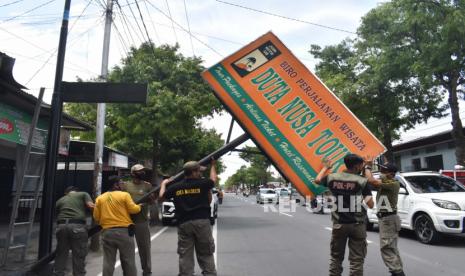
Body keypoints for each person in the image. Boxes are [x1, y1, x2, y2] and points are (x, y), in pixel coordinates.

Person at [314, 154, 376, 276]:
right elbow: (371, 204)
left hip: (339, 224)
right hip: (357, 225)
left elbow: (317, 180)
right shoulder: (362, 181)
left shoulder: (332, 177)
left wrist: (326, 167)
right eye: (361, 165)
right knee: (356, 261)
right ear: (357, 166)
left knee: (336, 259)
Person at [159, 159, 218, 276]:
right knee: (206, 253)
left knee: (185, 254)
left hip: (184, 224)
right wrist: (213, 165)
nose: (200, 173)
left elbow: (161, 197)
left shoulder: (176, 187)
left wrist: (163, 184)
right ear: (194, 172)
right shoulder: (203, 183)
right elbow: (213, 180)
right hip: (202, 222)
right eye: (199, 171)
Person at [93, 175, 142, 276]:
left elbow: (96, 218)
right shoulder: (124, 195)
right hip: (124, 232)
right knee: (128, 261)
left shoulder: (100, 198)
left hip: (107, 233)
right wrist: (139, 206)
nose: (122, 184)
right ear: (115, 185)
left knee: (108, 261)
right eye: (121, 183)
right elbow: (133, 209)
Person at [368, 163, 405, 276]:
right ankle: (397, 271)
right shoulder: (386, 182)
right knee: (391, 248)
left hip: (388, 219)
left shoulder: (393, 183)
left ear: (391, 174)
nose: (380, 172)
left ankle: (398, 273)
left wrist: (367, 167)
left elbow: (371, 180)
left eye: (383, 170)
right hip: (388, 218)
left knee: (387, 248)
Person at [53, 186, 94, 276]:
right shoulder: (83, 194)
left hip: (61, 226)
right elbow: (91, 206)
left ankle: (58, 274)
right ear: (76, 191)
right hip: (77, 226)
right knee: (79, 254)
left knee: (61, 254)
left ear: (66, 193)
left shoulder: (60, 199)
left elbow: (56, 213)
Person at [122, 164, 154, 276]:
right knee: (126, 249)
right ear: (133, 173)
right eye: (139, 171)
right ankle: (128, 272)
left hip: (142, 221)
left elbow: (152, 202)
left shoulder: (147, 186)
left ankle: (147, 271)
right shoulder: (125, 186)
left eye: (143, 171)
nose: (142, 173)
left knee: (145, 248)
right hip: (127, 222)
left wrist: (151, 199)